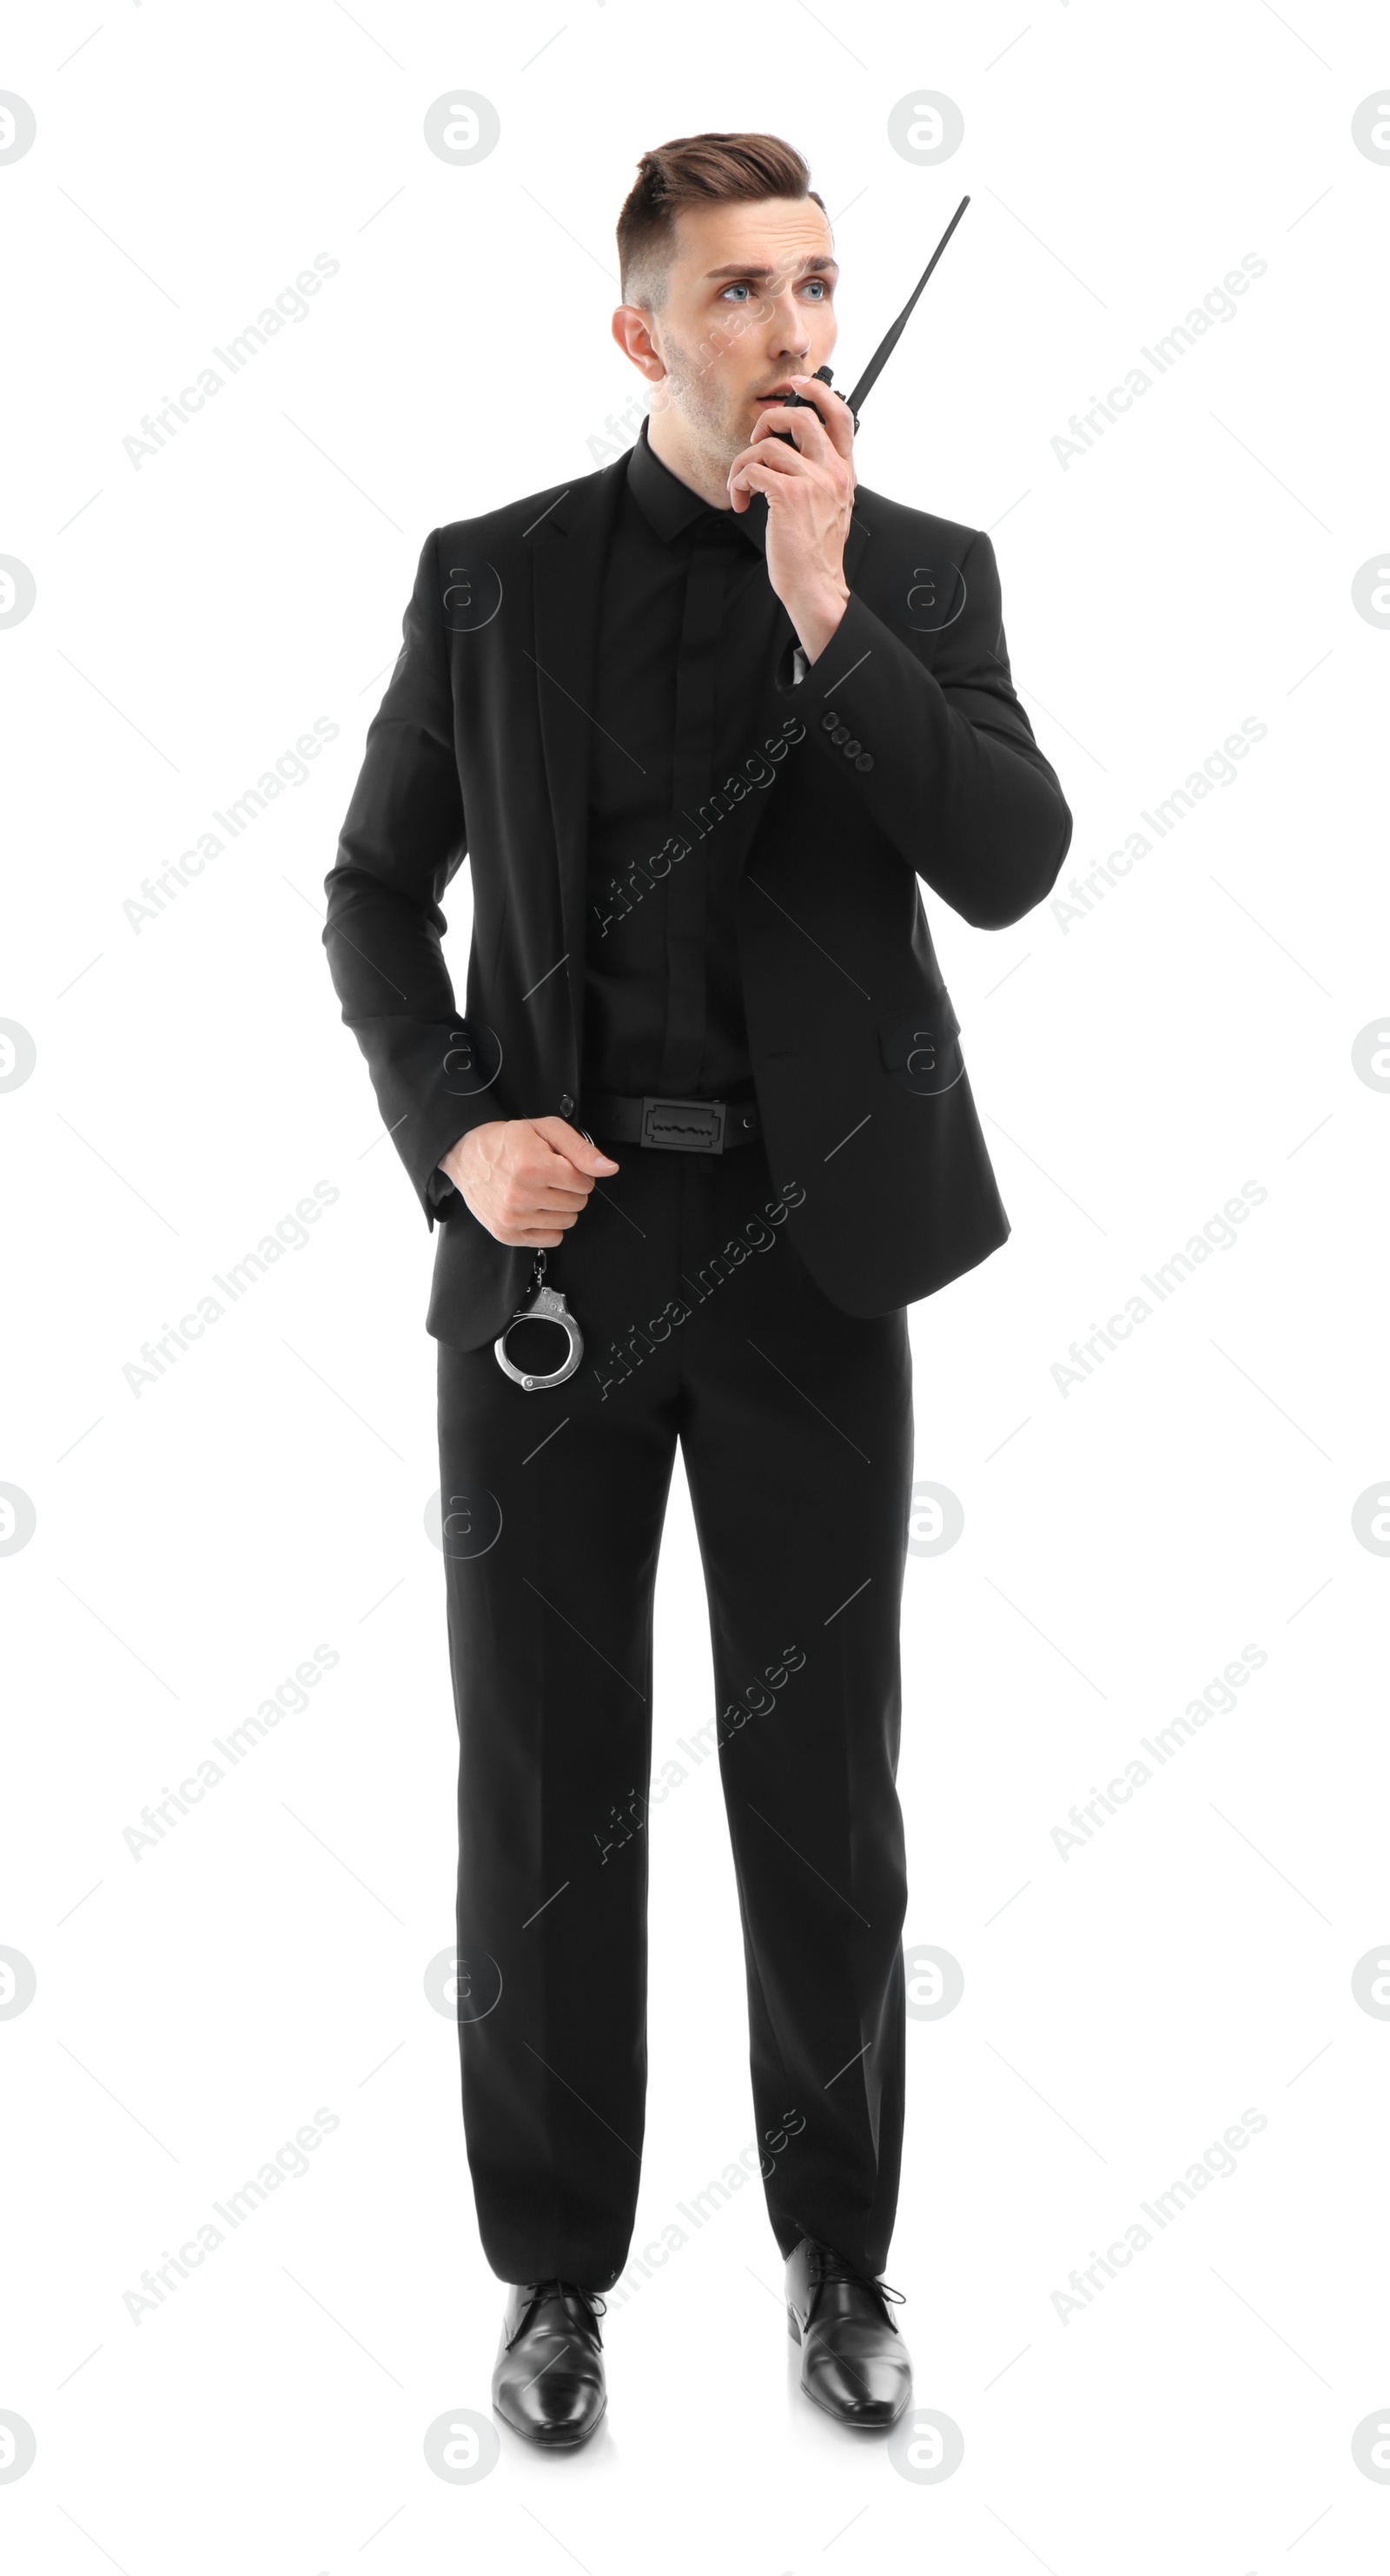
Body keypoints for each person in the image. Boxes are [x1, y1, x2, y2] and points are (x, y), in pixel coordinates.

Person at [323, 129, 1071, 2447]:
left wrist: (832, 607)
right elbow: (370, 897)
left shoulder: (916, 574)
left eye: (822, 287)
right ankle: (556, 2278)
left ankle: (840, 2254)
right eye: (743, 293)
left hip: (808, 1260)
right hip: (552, 1267)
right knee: (546, 1790)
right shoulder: (492, 582)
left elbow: (1014, 856)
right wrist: (457, 1130)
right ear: (641, 326)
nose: (795, 334)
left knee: (822, 1789)